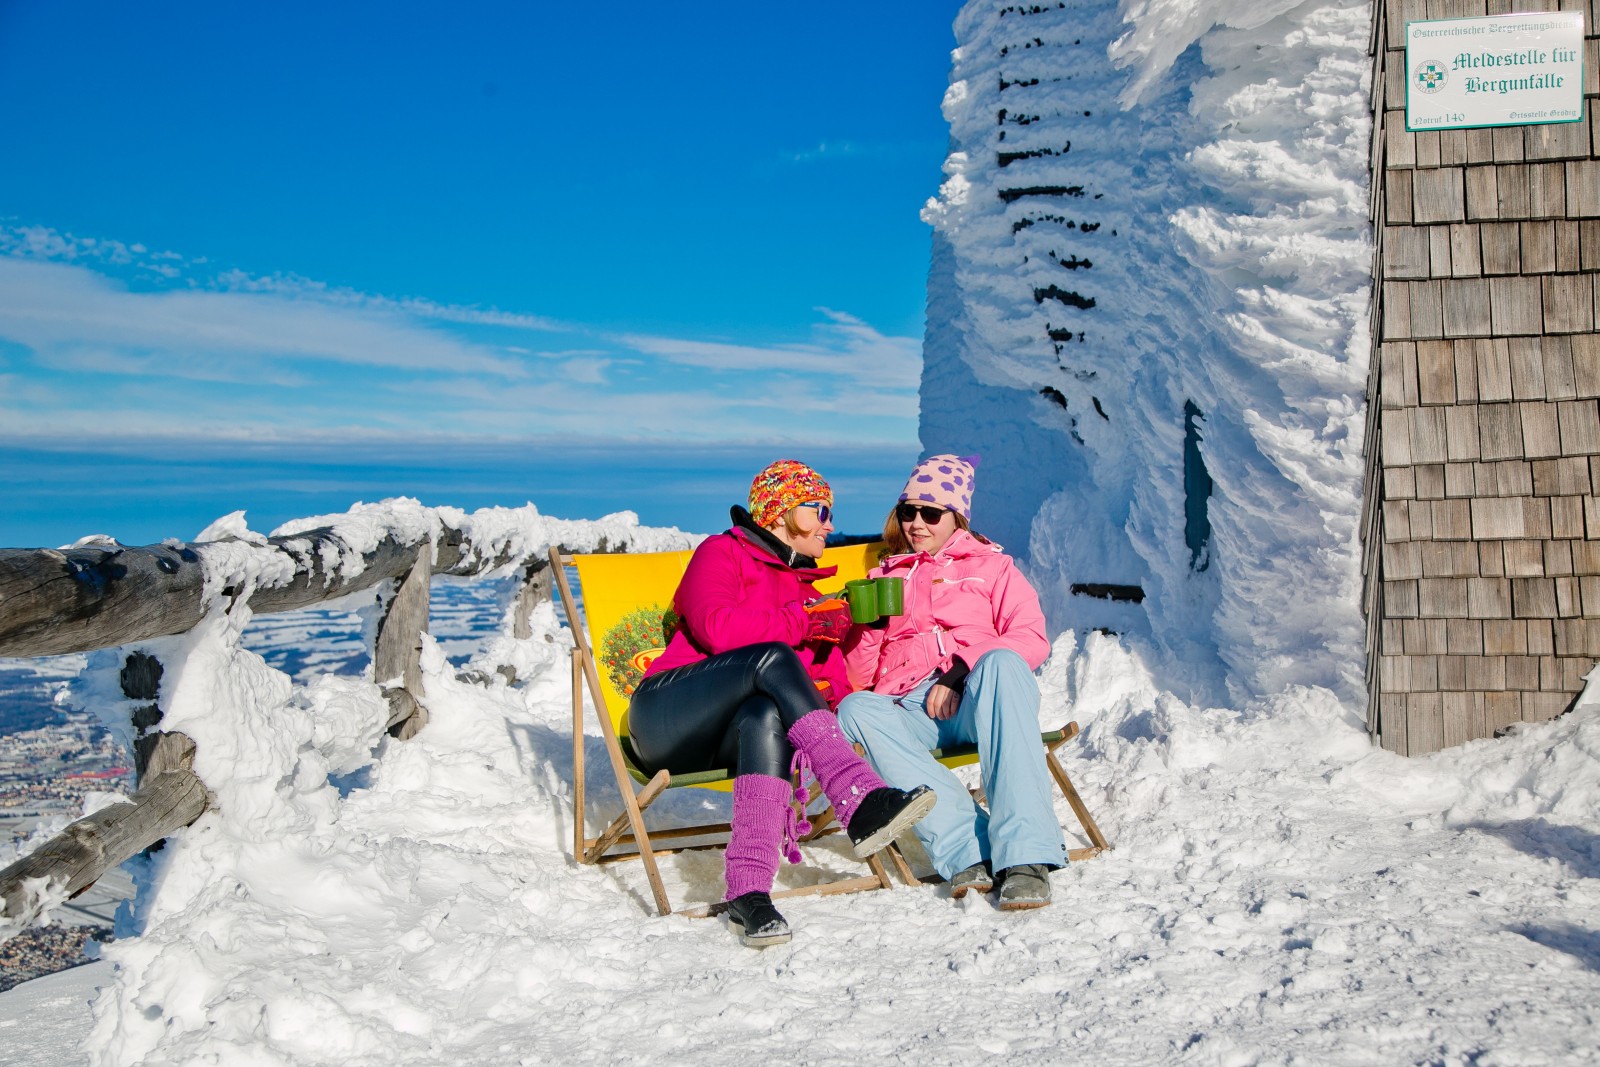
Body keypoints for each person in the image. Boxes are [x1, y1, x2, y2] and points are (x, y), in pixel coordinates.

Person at [629, 459, 936, 947]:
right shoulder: (721, 552)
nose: (830, 524)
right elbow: (716, 628)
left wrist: (857, 635)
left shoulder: (805, 591)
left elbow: (830, 688)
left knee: (764, 713)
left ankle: (748, 893)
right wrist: (801, 622)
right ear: (785, 512)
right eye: (821, 510)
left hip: (723, 737)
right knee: (770, 657)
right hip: (665, 714)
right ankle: (857, 796)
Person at [838, 454, 1068, 909]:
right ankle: (968, 848)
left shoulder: (994, 568)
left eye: (930, 513)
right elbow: (858, 680)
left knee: (1002, 661)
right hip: (909, 708)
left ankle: (1025, 857)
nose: (916, 524)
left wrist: (960, 672)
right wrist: (864, 628)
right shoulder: (883, 576)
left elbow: (1030, 637)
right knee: (854, 710)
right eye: (908, 512)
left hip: (979, 695)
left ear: (956, 516)